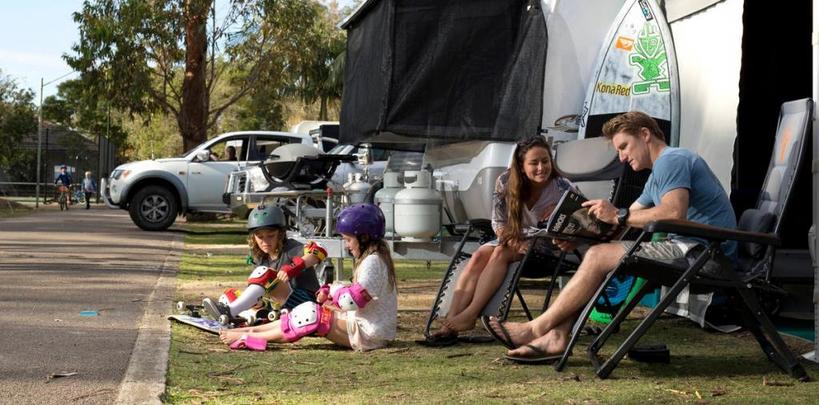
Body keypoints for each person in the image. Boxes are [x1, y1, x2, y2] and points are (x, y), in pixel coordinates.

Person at [485, 111, 737, 363]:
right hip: (690, 249)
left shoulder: (673, 159)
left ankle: (536, 329)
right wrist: (580, 236)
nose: (622, 157)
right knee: (597, 255)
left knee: (598, 256)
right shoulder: (656, 176)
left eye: (624, 146)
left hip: (707, 255)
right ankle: (557, 337)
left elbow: (672, 212)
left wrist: (618, 214)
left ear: (645, 134)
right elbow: (623, 224)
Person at [422, 136, 573, 345]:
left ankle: (470, 314)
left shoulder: (561, 187)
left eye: (545, 161)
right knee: (479, 255)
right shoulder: (505, 181)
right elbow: (498, 222)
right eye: (534, 163)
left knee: (500, 252)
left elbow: (583, 215)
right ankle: (451, 321)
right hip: (513, 240)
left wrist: (563, 221)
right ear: (521, 166)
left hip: (548, 248)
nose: (541, 167)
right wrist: (511, 240)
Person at [219, 203, 398, 352]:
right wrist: (331, 290)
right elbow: (356, 293)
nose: (346, 245)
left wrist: (331, 289)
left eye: (348, 240)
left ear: (364, 237)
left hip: (369, 334)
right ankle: (247, 329)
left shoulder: (373, 261)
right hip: (368, 330)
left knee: (310, 314)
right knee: (304, 313)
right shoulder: (374, 259)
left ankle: (245, 332)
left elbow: (351, 300)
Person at [202, 204, 326, 321]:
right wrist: (259, 302)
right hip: (279, 306)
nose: (265, 241)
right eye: (260, 237)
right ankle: (252, 318)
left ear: (281, 234)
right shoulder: (260, 257)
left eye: (271, 235)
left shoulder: (292, 248)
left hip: (306, 303)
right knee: (229, 296)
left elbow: (319, 250)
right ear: (253, 237)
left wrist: (294, 266)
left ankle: (231, 312)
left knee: (264, 273)